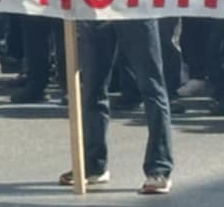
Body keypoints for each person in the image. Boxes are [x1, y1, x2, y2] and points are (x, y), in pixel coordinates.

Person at [61, 20, 174, 193]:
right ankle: (93, 164)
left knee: (151, 87)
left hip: (133, 8)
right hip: (95, 10)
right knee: (92, 89)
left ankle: (159, 168)